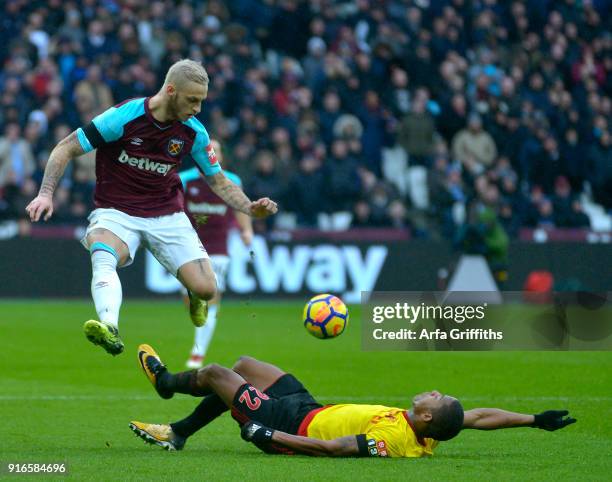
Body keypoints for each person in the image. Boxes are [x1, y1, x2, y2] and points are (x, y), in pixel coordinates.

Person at [25, 59, 278, 356]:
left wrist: (250, 207)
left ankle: (194, 292)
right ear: (171, 91)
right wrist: (45, 193)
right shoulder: (123, 117)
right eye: (192, 100)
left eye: (201, 102)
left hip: (166, 214)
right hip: (116, 211)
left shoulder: (195, 133)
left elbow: (219, 181)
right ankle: (109, 326)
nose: (197, 109)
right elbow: (65, 148)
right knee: (102, 254)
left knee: (208, 290)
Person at [129, 345, 576, 456]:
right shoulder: (433, 429)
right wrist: (534, 419)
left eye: (436, 398)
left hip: (287, 424)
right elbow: (477, 416)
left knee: (213, 375)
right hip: (311, 407)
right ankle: (181, 433)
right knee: (245, 364)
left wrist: (268, 433)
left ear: (424, 416)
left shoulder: (393, 439)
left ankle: (167, 383)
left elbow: (332, 449)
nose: (433, 391)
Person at [179, 138, 253, 368]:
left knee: (210, 298)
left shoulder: (231, 181)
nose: (212, 153)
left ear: (220, 156)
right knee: (191, 301)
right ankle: (198, 321)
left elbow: (239, 206)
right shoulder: (185, 179)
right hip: (188, 247)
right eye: (208, 149)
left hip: (219, 249)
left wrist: (247, 229)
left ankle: (198, 352)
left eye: (216, 150)